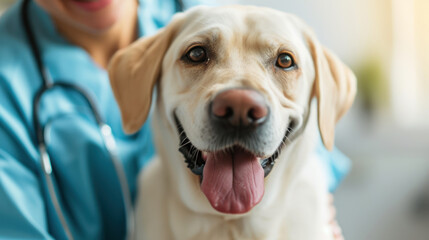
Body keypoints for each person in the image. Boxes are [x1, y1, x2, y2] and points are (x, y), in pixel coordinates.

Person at [0, 0, 348, 239]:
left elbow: (309, 149)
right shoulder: (8, 80)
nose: (241, 102)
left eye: (283, 61)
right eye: (198, 55)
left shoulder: (203, 9)